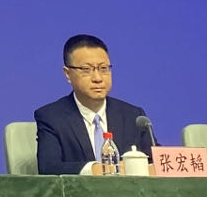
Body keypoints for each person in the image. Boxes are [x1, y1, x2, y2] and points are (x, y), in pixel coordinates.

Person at [34, 33, 154, 174]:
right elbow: (49, 167)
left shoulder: (134, 116)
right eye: (86, 69)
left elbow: (156, 161)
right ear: (67, 74)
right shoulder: (52, 117)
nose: (97, 78)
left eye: (104, 69)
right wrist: (97, 169)